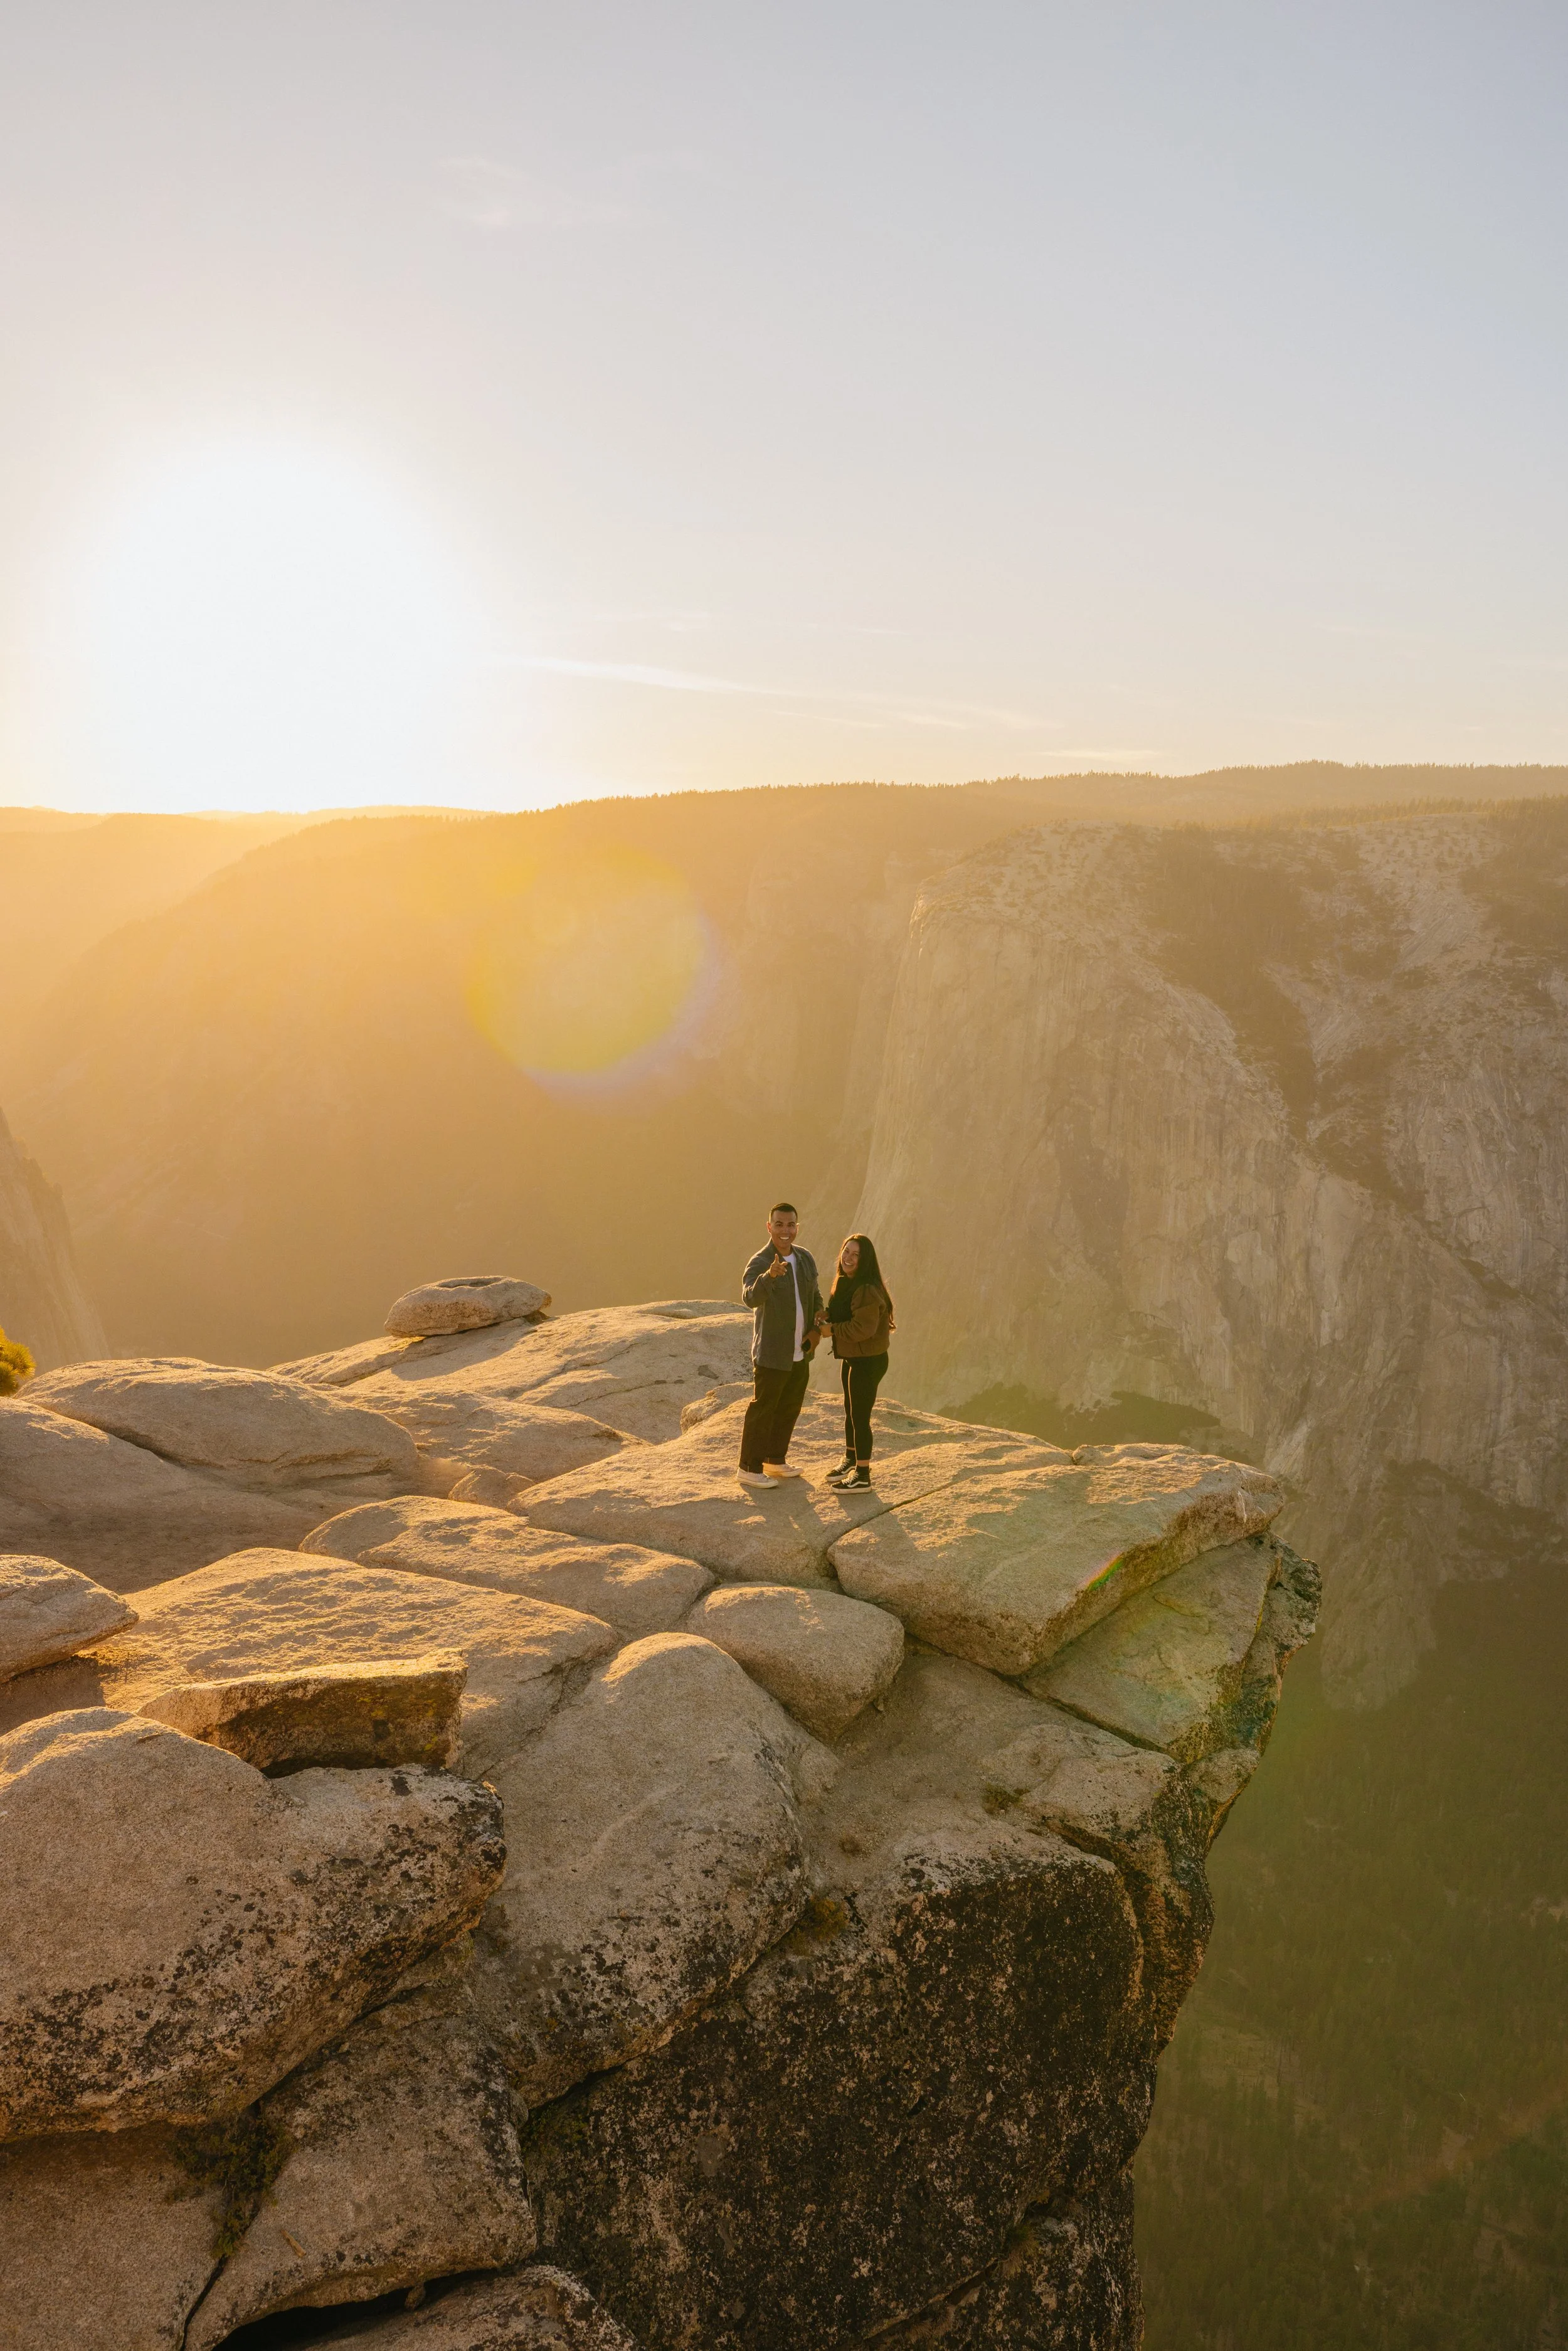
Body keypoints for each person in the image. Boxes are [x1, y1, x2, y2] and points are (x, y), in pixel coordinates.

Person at [738, 1201, 824, 1488]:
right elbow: (750, 1298)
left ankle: (775, 1460)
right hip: (772, 1352)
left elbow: (816, 1296)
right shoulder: (761, 1261)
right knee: (764, 1409)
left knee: (789, 1407)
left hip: (801, 1351)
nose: (785, 1231)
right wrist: (770, 1276)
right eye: (779, 1225)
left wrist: (817, 1329)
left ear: (797, 1227)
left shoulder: (805, 1258)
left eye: (790, 1225)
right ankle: (749, 1468)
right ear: (769, 1227)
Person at [820, 1233, 894, 1490]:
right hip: (853, 1357)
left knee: (860, 1417)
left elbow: (863, 1328)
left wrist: (832, 1330)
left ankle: (863, 1475)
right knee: (850, 1411)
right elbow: (844, 1312)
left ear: (866, 1261)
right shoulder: (845, 1282)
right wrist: (827, 1314)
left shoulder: (867, 1289)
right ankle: (851, 1458)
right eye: (846, 1252)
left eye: (856, 1255)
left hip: (869, 1361)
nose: (849, 1258)